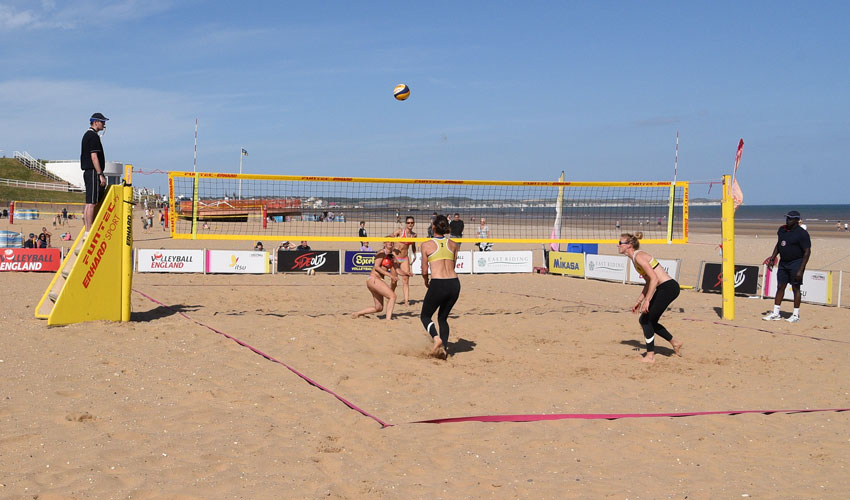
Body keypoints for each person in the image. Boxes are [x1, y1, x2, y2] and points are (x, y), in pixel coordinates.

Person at [618, 232, 683, 363]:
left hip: (668, 288)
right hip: (666, 288)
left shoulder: (639, 257)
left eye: (620, 243)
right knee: (649, 321)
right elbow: (648, 281)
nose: (618, 245)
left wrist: (647, 300)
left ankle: (650, 356)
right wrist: (639, 301)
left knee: (645, 320)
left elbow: (654, 278)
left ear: (629, 245)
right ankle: (675, 342)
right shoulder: (635, 258)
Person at [420, 215, 461, 359]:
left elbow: (424, 270)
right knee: (443, 318)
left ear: (434, 227)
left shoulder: (426, 244)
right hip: (454, 284)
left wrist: (426, 282)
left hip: (438, 282)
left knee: (425, 316)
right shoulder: (454, 244)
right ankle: (444, 349)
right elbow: (453, 265)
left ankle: (437, 339)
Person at [763, 210, 811, 323]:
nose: (788, 220)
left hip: (796, 263)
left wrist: (801, 269)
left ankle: (795, 315)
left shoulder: (802, 233)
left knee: (796, 288)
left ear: (797, 220)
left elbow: (807, 252)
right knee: (780, 286)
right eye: (787, 218)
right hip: (783, 263)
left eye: (790, 218)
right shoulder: (782, 230)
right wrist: (772, 258)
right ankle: (776, 313)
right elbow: (779, 244)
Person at [352, 240, 407, 321]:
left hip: (376, 281)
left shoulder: (392, 256)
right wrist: (390, 275)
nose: (391, 243)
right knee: (392, 296)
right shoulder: (381, 252)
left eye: (392, 242)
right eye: (388, 241)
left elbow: (397, 270)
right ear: (384, 243)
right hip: (373, 279)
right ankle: (388, 320)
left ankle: (357, 313)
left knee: (379, 308)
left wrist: (406, 273)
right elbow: (377, 267)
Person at [81, 112, 109, 237]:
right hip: (92, 171)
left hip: (88, 172)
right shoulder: (93, 136)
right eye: (102, 122)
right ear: (96, 122)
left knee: (89, 202)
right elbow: (94, 157)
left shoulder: (87, 135)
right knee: (92, 203)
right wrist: (100, 174)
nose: (104, 124)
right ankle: (89, 230)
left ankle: (87, 229)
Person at [391, 216, 417, 306]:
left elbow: (413, 245)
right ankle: (391, 295)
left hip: (405, 258)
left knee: (406, 279)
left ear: (413, 224)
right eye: (408, 223)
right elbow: (389, 239)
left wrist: (414, 254)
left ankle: (406, 301)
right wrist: (394, 245)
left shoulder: (414, 235)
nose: (410, 224)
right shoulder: (400, 231)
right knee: (394, 280)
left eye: (412, 223)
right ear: (406, 223)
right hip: (396, 257)